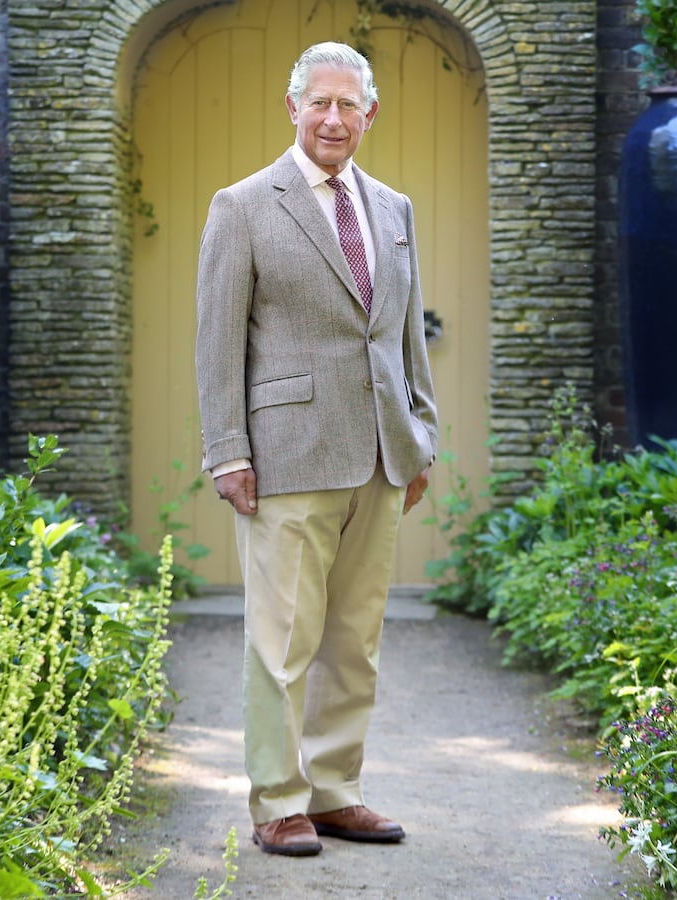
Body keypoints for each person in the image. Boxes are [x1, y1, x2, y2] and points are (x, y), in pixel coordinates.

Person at [194, 40, 438, 857]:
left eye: (349, 105)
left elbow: (405, 338)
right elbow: (217, 341)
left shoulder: (395, 209)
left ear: (371, 115)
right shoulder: (243, 206)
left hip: (379, 456)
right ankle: (277, 801)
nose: (334, 118)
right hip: (287, 455)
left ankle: (336, 791)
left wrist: (421, 435)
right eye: (319, 103)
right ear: (292, 107)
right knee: (283, 642)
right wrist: (228, 451)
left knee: (354, 642)